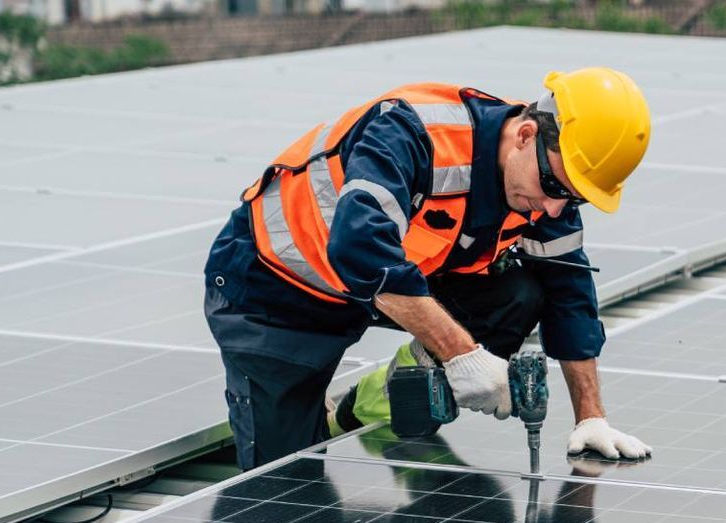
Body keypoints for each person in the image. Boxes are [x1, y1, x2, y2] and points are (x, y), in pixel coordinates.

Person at [202, 68, 653, 470]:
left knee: (521, 294)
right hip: (277, 293)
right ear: (525, 134)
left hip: (385, 284)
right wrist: (463, 355)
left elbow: (568, 292)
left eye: (573, 197)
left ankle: (385, 392)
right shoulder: (412, 132)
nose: (554, 207)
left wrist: (590, 416)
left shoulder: (544, 194)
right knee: (284, 489)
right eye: (554, 185)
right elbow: (362, 251)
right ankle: (317, 410)